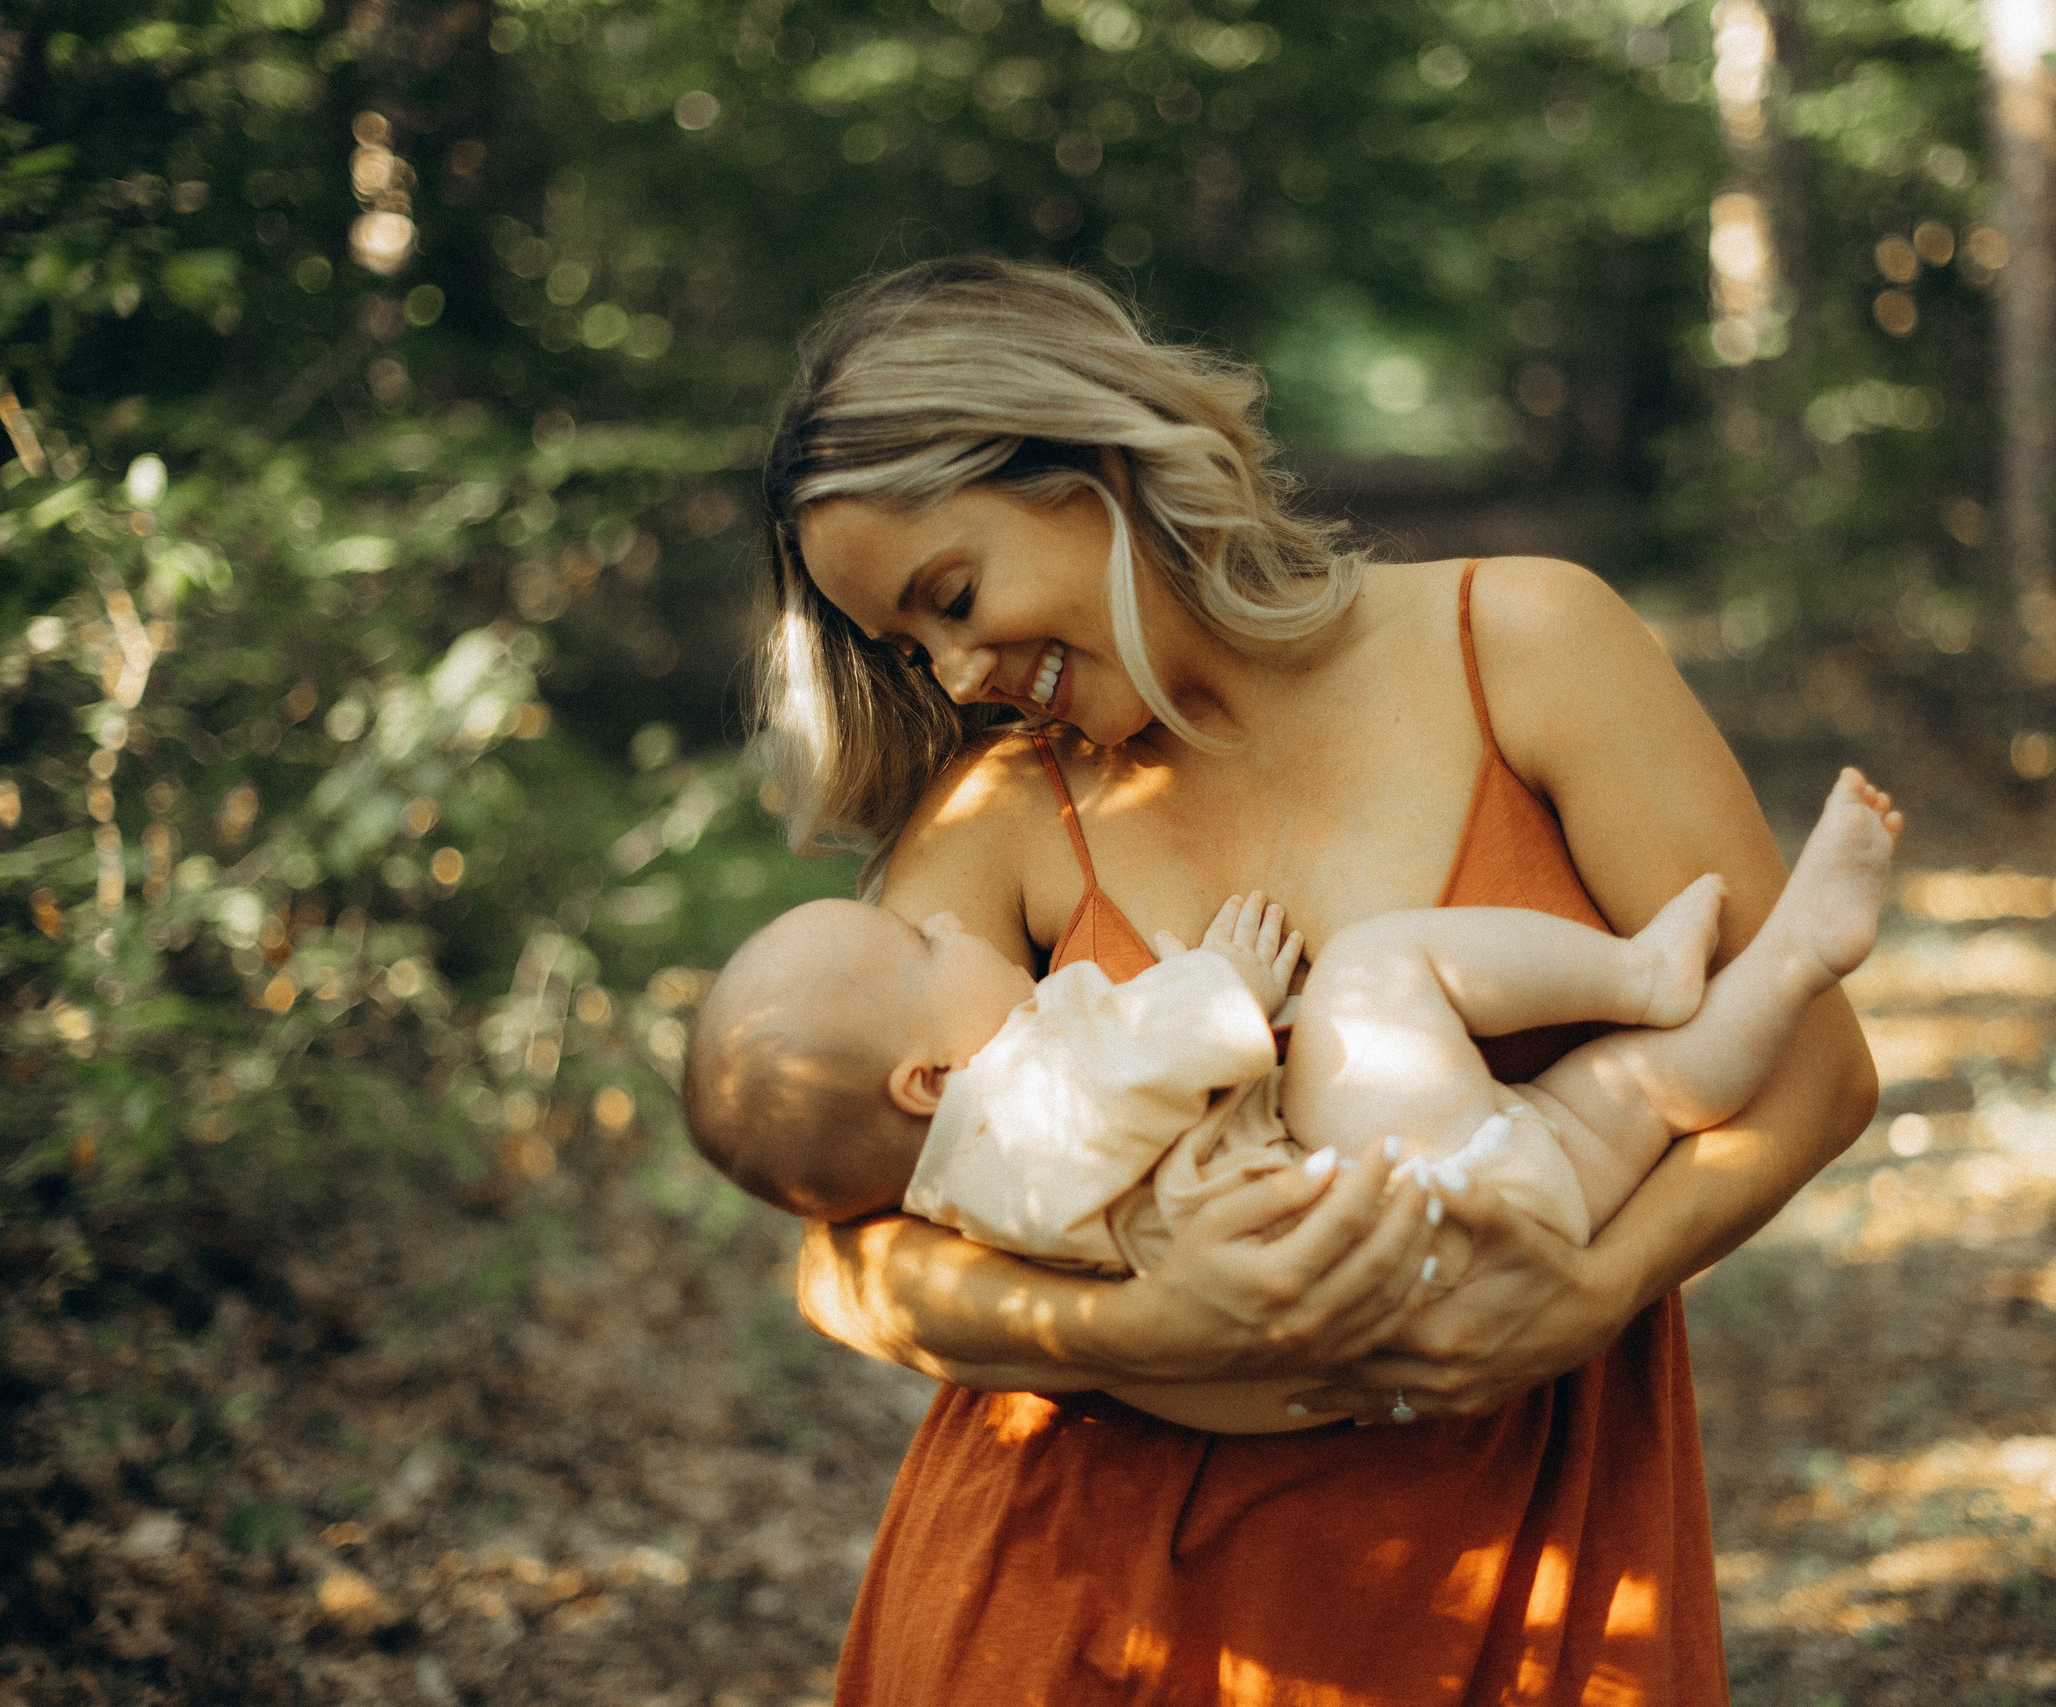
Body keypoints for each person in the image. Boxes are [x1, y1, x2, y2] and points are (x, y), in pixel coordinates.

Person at [750, 255, 1880, 1704]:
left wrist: (1592, 1291)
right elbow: (842, 1253)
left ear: (1087, 461)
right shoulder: (1005, 812)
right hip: (1076, 1613)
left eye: (953, 593)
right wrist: (1141, 1328)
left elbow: (1816, 1069)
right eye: (910, 645)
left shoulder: (1524, 644)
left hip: (1518, 1573)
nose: (956, 669)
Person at [685, 772, 1898, 1438]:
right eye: (918, 941)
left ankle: (1792, 959)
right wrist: (1224, 986)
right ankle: (1643, 974)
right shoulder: (1006, 1127)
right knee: (1371, 976)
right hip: (1385, 1222)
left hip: (1431, 1251)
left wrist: (1596, 1290)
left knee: (1628, 1093)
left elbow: (1126, 1091)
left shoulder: (999, 1143)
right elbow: (1130, 1075)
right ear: (929, 1080)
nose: (942, 918)